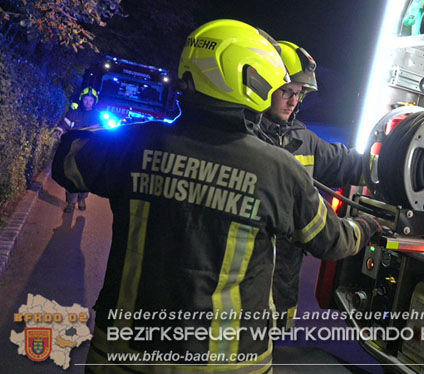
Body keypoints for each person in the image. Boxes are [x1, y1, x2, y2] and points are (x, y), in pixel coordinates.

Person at [51, 19, 381, 373]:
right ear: (250, 79)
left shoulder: (133, 144)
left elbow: (66, 162)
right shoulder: (277, 169)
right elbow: (333, 241)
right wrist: (368, 224)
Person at [258, 41, 364, 328]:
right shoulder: (247, 141)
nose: (293, 102)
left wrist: (393, 164)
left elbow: (345, 163)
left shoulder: (302, 139)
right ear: (264, 85)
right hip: (246, 287)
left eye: (299, 94)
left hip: (282, 287)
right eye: (286, 92)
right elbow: (325, 238)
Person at [53, 86, 102, 213]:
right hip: (72, 152)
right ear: (82, 99)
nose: (88, 102)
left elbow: (102, 133)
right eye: (86, 99)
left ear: (94, 101)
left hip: (89, 153)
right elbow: (64, 125)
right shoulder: (73, 113)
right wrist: (59, 131)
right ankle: (71, 203)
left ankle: (82, 198)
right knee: (71, 176)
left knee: (86, 177)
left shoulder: (98, 116)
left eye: (90, 100)